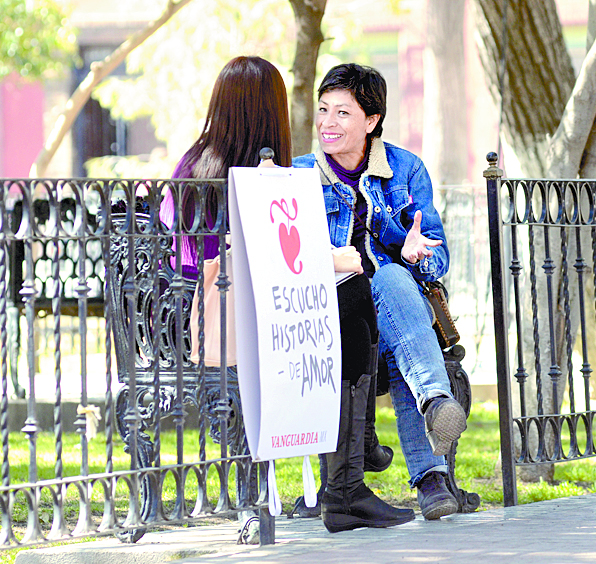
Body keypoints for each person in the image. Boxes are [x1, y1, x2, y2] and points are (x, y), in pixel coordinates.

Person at [159, 56, 413, 535]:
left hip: (211, 311)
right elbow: (263, 256)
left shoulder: (192, 164)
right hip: (237, 321)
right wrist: (332, 259)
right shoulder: (261, 173)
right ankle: (349, 479)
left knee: (354, 300)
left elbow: (188, 253)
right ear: (267, 111)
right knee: (355, 299)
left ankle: (352, 473)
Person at [294, 63, 467, 521]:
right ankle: (430, 467)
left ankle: (431, 420)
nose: (328, 123)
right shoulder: (300, 176)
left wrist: (412, 252)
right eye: (324, 110)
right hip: (331, 308)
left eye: (343, 113)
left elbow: (437, 260)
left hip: (392, 309)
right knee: (386, 303)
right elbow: (289, 256)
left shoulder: (406, 170)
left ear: (371, 121)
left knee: (391, 282)